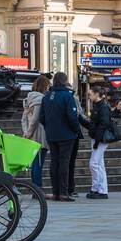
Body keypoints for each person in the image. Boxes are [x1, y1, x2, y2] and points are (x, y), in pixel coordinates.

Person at [41, 71, 82, 201]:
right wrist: (75, 130)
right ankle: (64, 193)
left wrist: (49, 128)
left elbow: (41, 117)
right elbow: (72, 117)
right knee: (64, 163)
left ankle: (56, 192)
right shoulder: (67, 96)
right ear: (65, 81)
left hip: (51, 135)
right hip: (66, 135)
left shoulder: (46, 96)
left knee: (54, 162)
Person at [86, 86, 115, 199]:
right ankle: (101, 190)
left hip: (100, 139)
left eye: (90, 94)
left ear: (96, 94)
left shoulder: (102, 107)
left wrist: (97, 141)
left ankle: (97, 189)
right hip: (98, 138)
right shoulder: (99, 106)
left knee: (93, 163)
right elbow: (95, 124)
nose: (89, 96)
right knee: (99, 165)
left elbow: (103, 124)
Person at [21, 75, 50, 189]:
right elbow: (35, 119)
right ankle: (37, 188)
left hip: (30, 135)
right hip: (39, 135)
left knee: (35, 163)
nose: (48, 88)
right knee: (38, 163)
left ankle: (35, 188)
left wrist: (25, 132)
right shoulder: (39, 99)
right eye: (47, 85)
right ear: (43, 86)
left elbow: (24, 119)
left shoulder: (29, 98)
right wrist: (28, 133)